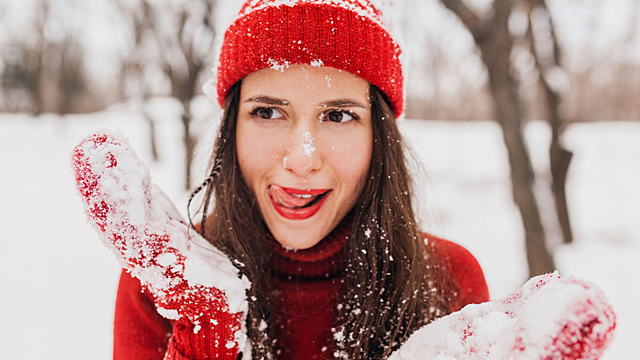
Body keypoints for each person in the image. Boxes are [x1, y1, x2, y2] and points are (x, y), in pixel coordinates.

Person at [108, 0, 490, 359]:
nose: (302, 160)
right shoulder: (164, 279)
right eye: (268, 112)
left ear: (380, 137)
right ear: (231, 130)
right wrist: (203, 338)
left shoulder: (449, 279)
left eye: (338, 116)